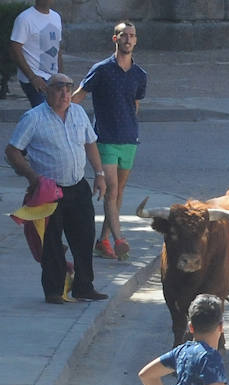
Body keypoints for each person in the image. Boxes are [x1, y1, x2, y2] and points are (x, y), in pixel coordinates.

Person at [5, 72, 108, 304]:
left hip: (77, 186)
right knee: (51, 241)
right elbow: (12, 151)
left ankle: (84, 286)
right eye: (59, 88)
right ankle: (53, 290)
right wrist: (32, 177)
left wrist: (99, 174)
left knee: (84, 237)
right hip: (49, 190)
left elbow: (90, 143)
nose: (64, 93)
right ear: (47, 91)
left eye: (68, 88)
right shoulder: (33, 118)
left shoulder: (79, 113)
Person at [73, 20, 147, 262]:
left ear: (136, 40)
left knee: (118, 192)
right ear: (115, 39)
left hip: (129, 139)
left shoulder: (139, 75)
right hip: (104, 139)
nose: (128, 39)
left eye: (132, 36)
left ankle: (102, 240)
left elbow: (135, 105)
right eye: (123, 35)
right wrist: (60, 113)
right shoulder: (102, 69)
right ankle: (118, 239)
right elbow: (79, 96)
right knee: (111, 189)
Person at [9, 0, 63, 108]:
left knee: (55, 115)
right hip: (34, 78)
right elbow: (15, 48)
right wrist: (32, 77)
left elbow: (57, 48)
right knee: (43, 114)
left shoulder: (56, 17)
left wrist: (61, 76)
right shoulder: (25, 18)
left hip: (53, 78)